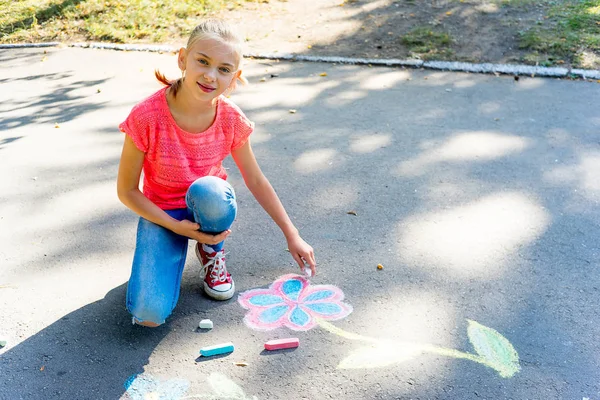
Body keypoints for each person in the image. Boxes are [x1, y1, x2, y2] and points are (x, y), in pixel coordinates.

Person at [117, 19, 316, 328]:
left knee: (210, 190)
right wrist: (176, 227)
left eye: (224, 69)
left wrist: (293, 234)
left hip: (207, 206)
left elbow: (255, 179)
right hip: (162, 213)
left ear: (233, 79)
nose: (211, 75)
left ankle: (211, 250)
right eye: (203, 62)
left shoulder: (230, 118)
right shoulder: (146, 117)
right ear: (183, 59)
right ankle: (160, 261)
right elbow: (126, 191)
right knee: (148, 316)